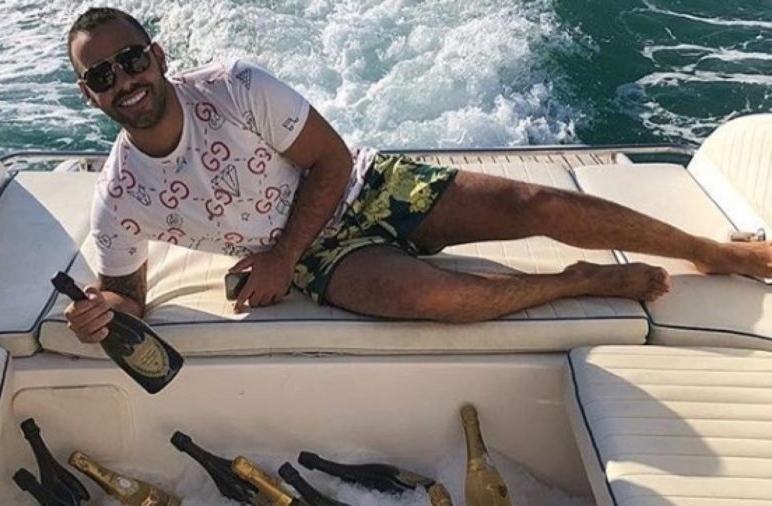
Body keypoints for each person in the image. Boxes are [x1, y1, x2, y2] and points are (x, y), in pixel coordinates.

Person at [64, 7, 772, 343]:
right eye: (102, 75)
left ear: (157, 56)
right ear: (89, 95)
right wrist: (103, 313)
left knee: (533, 201)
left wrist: (277, 255)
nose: (123, 80)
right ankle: (578, 282)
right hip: (318, 260)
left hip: (359, 188)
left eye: (131, 60)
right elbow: (130, 297)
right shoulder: (121, 198)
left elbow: (331, 159)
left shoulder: (235, 87)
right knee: (438, 298)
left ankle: (714, 253)